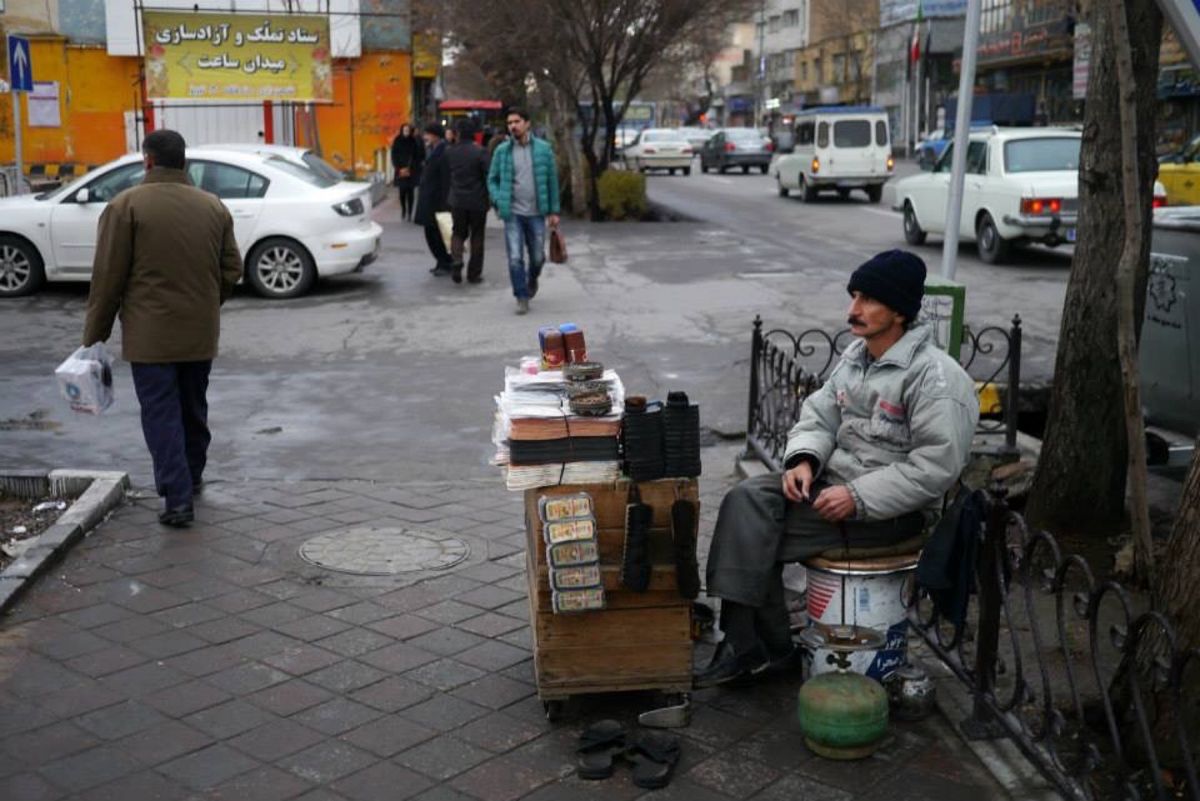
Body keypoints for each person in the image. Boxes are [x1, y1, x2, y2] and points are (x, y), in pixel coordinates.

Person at [695, 250, 979, 688]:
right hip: (832, 487)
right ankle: (755, 646)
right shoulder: (857, 356)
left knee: (751, 533)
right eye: (854, 296)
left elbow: (934, 468)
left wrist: (859, 497)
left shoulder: (936, 379)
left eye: (868, 299)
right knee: (746, 498)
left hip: (886, 513)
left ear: (900, 310)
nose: (853, 310)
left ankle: (754, 647)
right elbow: (819, 415)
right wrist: (803, 460)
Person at [81, 129, 242, 528]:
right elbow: (232, 269)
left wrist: (94, 336)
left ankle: (178, 499)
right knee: (193, 407)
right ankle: (193, 474)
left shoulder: (125, 207)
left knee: (161, 414)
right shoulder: (213, 206)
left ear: (147, 161)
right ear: (183, 162)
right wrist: (207, 304)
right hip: (200, 331)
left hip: (149, 336)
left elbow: (108, 279)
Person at [486, 107, 561, 315]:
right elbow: (491, 179)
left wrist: (554, 211)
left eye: (517, 121)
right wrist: (497, 197)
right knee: (515, 257)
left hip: (537, 212)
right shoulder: (502, 151)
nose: (513, 126)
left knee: (537, 257)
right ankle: (521, 296)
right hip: (513, 213)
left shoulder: (544, 149)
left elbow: (552, 181)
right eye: (509, 123)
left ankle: (532, 279)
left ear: (527, 123)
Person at [445, 119, 491, 284]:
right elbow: (489, 175)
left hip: (457, 200)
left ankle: (456, 260)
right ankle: (474, 273)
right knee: (477, 235)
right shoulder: (481, 152)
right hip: (477, 200)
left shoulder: (450, 151)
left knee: (457, 232)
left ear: (457, 134)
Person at [413, 123, 453, 277]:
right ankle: (440, 262)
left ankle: (445, 263)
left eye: (427, 134)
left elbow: (445, 180)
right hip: (429, 199)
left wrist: (445, 203)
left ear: (436, 135)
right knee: (430, 233)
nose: (425, 137)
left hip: (437, 202)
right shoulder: (433, 150)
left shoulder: (444, 152)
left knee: (438, 234)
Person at [390, 123, 424, 222]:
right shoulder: (397, 140)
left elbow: (418, 156)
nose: (406, 132)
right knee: (402, 192)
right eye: (404, 130)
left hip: (411, 170)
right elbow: (394, 155)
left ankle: (409, 212)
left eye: (408, 130)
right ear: (401, 131)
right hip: (400, 170)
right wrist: (398, 167)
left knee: (411, 192)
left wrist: (412, 167)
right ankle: (403, 209)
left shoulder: (414, 141)